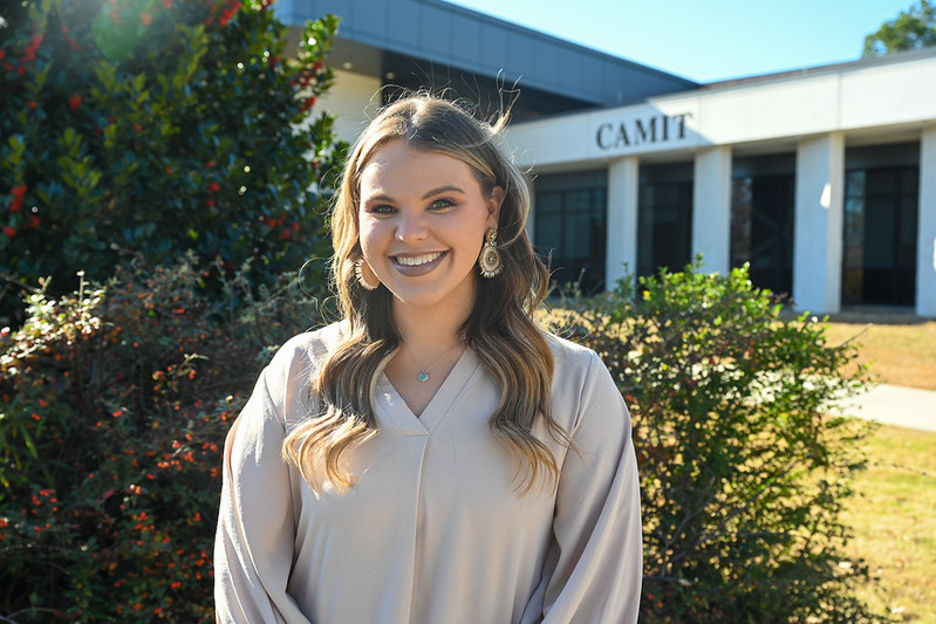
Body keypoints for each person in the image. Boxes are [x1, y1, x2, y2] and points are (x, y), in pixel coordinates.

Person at [214, 94, 643, 623]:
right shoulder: (297, 375)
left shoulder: (574, 388)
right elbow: (249, 586)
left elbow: (593, 595)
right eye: (383, 208)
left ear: (492, 209)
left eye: (442, 203)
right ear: (357, 219)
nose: (409, 232)